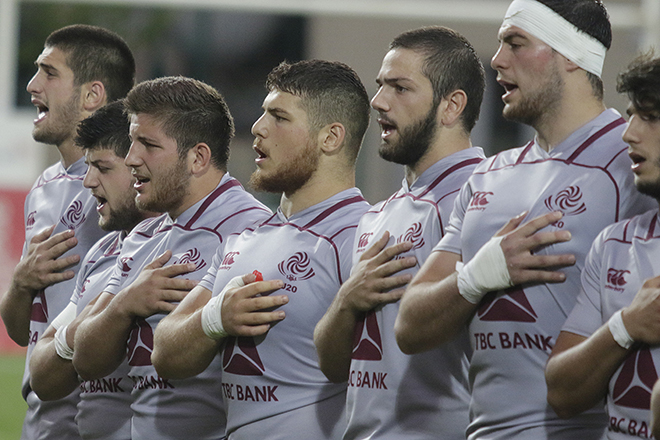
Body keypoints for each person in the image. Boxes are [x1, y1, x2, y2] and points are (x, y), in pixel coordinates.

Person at [394, 1, 656, 439]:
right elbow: (410, 328)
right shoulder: (488, 176)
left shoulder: (634, 163)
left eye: (516, 43)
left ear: (572, 56)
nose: (497, 60)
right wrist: (477, 277)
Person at [151, 59, 371, 440]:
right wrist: (215, 318)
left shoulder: (362, 234)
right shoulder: (245, 237)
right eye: (263, 112)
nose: (257, 127)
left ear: (330, 137)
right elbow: (165, 354)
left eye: (279, 117)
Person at [72, 76, 272, 440]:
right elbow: (85, 361)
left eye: (147, 144)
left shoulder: (252, 233)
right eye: (132, 143)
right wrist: (124, 306)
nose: (131, 159)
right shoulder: (143, 235)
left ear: (197, 157)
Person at [313, 26, 485, 439]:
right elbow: (335, 366)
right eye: (380, 86)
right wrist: (346, 301)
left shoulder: (483, 197)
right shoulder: (377, 214)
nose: (379, 102)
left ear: (451, 106)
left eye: (400, 88)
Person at [0, 24, 135, 440]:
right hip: (42, 415)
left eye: (49, 73)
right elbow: (22, 330)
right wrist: (21, 285)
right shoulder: (42, 189)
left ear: (92, 95)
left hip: (103, 415)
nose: (32, 83)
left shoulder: (134, 186)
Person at [545, 53, 660, 439]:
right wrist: (626, 326)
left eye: (650, 118)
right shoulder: (615, 244)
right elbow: (561, 392)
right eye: (631, 115)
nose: (629, 133)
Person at [28, 100, 158, 440]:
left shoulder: (183, 247)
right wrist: (84, 331)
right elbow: (42, 377)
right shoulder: (102, 250)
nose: (87, 182)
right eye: (87, 167)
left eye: (102, 167)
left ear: (138, 165)